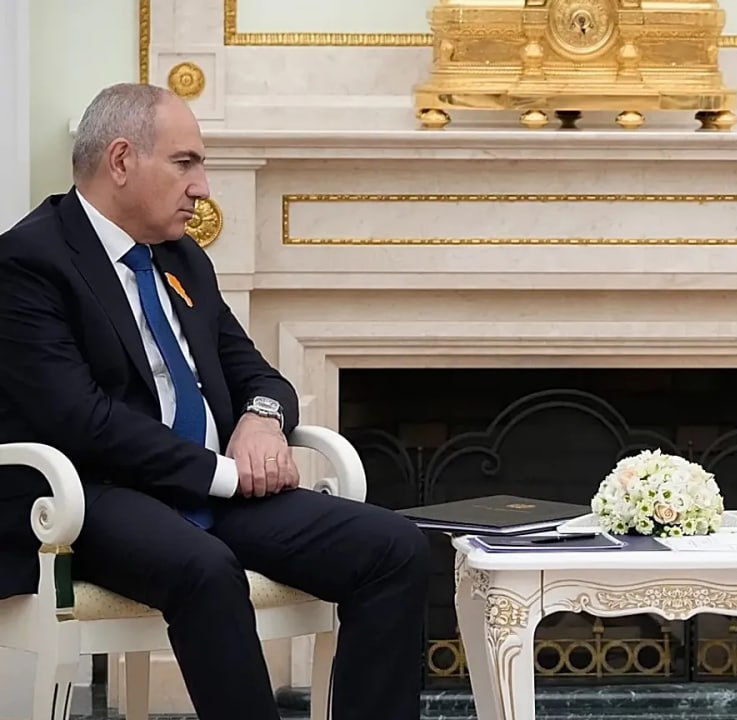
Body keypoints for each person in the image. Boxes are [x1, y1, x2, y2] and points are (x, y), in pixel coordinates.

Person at [0, 83, 430, 720]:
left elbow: (257, 374)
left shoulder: (182, 259)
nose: (202, 187)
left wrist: (262, 421)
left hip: (210, 493)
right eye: (185, 163)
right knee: (206, 568)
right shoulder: (28, 261)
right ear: (121, 160)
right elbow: (81, 419)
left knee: (395, 547)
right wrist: (225, 473)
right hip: (94, 496)